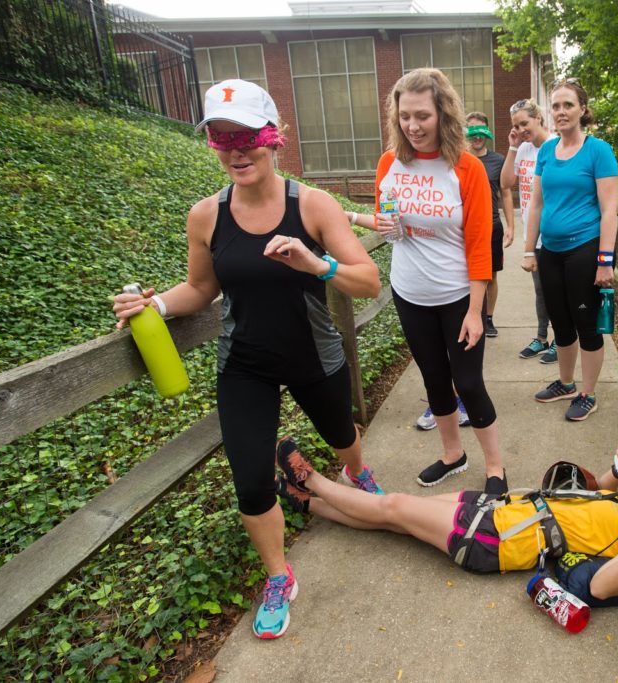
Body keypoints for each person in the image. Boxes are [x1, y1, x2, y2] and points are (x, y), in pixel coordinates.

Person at [111, 79, 383, 640]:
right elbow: (199, 290)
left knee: (340, 434)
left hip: (313, 353)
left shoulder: (312, 204)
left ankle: (358, 471)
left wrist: (318, 264)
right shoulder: (206, 216)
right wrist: (154, 304)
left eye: (247, 136)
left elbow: (369, 282)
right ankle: (279, 576)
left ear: (274, 138)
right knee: (250, 479)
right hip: (245, 365)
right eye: (220, 137)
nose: (236, 150)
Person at [275, 438, 618, 605]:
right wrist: (617, 470)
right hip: (503, 510)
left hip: (497, 539)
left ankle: (310, 479)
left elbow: (599, 587)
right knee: (396, 519)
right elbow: (595, 502)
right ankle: (307, 503)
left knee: (394, 507)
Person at [353, 67, 507, 494]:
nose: (413, 126)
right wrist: (386, 225)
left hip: (457, 295)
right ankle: (452, 454)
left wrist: (477, 311)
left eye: (422, 115)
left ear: (443, 113)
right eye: (405, 116)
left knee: (469, 383)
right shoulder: (390, 162)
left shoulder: (467, 168)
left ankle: (495, 466)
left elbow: (480, 244)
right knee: (434, 379)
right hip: (409, 292)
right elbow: (389, 220)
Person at [522, 78, 618, 422]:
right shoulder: (547, 150)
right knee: (560, 323)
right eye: (556, 105)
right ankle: (565, 382)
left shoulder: (599, 151)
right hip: (550, 251)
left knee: (585, 323)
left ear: (582, 109)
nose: (561, 112)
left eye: (568, 105)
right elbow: (536, 203)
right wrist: (529, 249)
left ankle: (588, 393)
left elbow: (610, 209)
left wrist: (605, 260)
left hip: (585, 250)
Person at [500, 99, 557, 364]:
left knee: (558, 291)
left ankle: (561, 340)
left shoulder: (556, 146)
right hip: (533, 234)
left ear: (538, 118)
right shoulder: (522, 148)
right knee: (541, 290)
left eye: (525, 123)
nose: (522, 129)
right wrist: (513, 146)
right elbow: (506, 183)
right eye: (516, 125)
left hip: (555, 233)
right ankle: (541, 337)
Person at [464, 111, 513, 338]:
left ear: (487, 132)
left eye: (480, 131)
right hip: (463, 228)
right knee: (464, 276)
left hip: (492, 226)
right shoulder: (458, 160)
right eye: (471, 131)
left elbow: (505, 192)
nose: (476, 137)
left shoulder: (498, 161)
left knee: (490, 275)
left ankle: (488, 318)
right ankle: (468, 315)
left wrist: (511, 226)